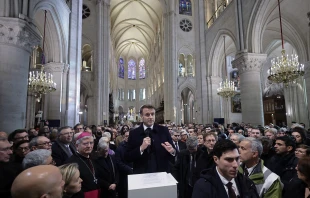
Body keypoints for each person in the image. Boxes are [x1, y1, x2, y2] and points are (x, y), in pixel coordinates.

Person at [192, 139, 259, 198]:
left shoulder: (247, 183)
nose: (235, 165)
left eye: (237, 159)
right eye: (229, 159)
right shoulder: (203, 187)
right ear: (216, 159)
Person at [125, 104, 175, 174]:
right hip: (141, 174)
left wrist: (172, 151)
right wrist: (141, 148)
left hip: (162, 173)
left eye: (152, 114)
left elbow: (174, 153)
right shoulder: (134, 133)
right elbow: (127, 157)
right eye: (147, 115)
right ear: (141, 116)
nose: (151, 117)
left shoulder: (164, 130)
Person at [65, 132, 100, 198]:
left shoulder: (94, 157)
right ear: (77, 146)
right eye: (85, 143)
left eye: (91, 143)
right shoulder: (71, 162)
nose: (89, 146)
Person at [115, 130, 132, 198]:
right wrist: (129, 169)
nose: (128, 137)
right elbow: (118, 162)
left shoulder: (136, 146)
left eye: (129, 136)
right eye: (126, 136)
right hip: (124, 175)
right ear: (124, 137)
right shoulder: (120, 148)